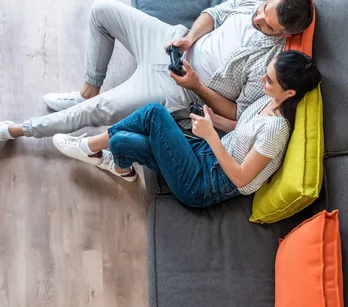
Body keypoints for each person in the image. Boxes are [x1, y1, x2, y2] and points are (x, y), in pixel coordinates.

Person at [0, 0, 314, 149]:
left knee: (98, 113)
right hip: (171, 41)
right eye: (264, 9)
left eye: (266, 25)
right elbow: (216, 13)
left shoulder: (271, 62)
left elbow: (236, 111)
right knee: (101, 9)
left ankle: (12, 130)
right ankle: (87, 89)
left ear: (283, 34)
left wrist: (196, 86)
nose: (257, 18)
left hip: (179, 87)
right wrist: (189, 38)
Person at [45, 52, 321, 210]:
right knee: (120, 144)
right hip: (206, 154)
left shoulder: (277, 130)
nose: (263, 80)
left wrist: (211, 136)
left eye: (269, 79)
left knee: (154, 113)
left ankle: (90, 146)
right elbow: (242, 129)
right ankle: (121, 170)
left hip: (205, 185)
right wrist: (215, 122)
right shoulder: (268, 98)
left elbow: (241, 178)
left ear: (290, 92)